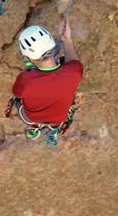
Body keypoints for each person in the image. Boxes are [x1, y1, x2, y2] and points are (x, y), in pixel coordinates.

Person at [5, 18, 83, 147]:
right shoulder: (73, 72)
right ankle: (54, 129)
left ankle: (36, 127)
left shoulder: (25, 79)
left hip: (31, 117)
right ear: (52, 44)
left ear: (29, 57)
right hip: (58, 118)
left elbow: (17, 93)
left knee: (18, 101)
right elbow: (74, 62)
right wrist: (67, 40)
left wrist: (32, 71)